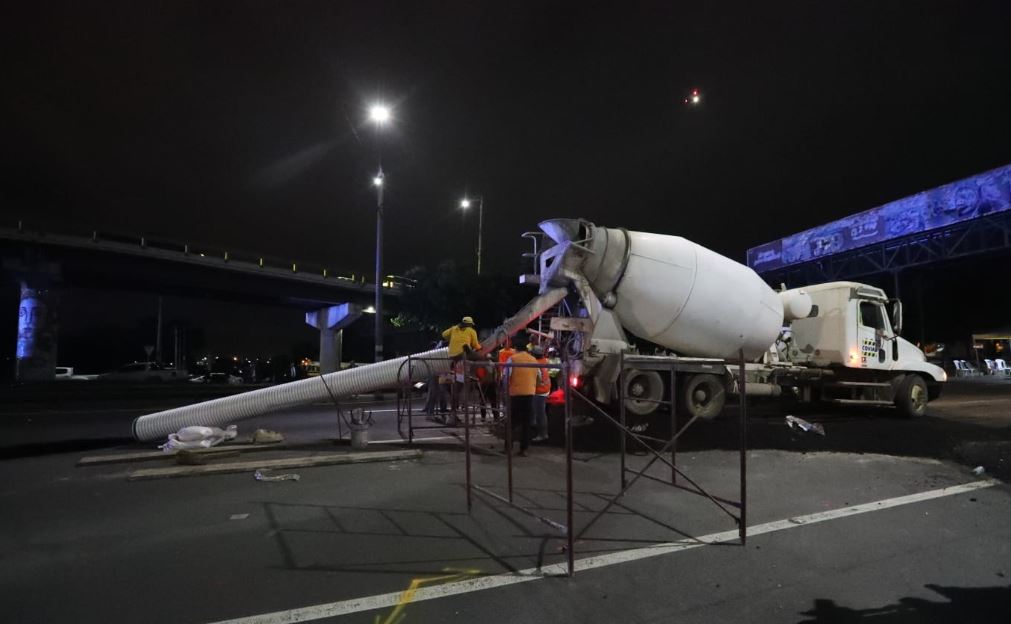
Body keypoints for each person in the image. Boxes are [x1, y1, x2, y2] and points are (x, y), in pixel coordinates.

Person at [504, 337, 545, 456]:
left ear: (516, 348)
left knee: (511, 423)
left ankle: (508, 448)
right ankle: (524, 449)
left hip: (515, 395)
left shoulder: (513, 359)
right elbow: (539, 378)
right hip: (530, 395)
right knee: (526, 423)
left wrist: (505, 390)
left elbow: (506, 376)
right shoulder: (533, 360)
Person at [531, 345, 551, 442]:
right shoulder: (545, 361)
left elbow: (537, 380)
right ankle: (535, 425)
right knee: (538, 412)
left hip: (539, 391)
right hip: (546, 389)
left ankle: (543, 434)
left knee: (540, 414)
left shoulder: (535, 365)